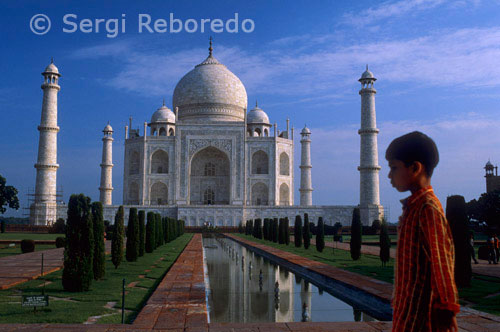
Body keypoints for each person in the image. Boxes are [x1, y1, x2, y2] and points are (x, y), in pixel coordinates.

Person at [386, 131, 459, 332]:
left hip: (422, 318)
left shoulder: (428, 209)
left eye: (394, 168)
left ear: (415, 168)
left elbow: (441, 262)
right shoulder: (413, 208)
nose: (389, 175)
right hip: (406, 311)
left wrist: (446, 308)